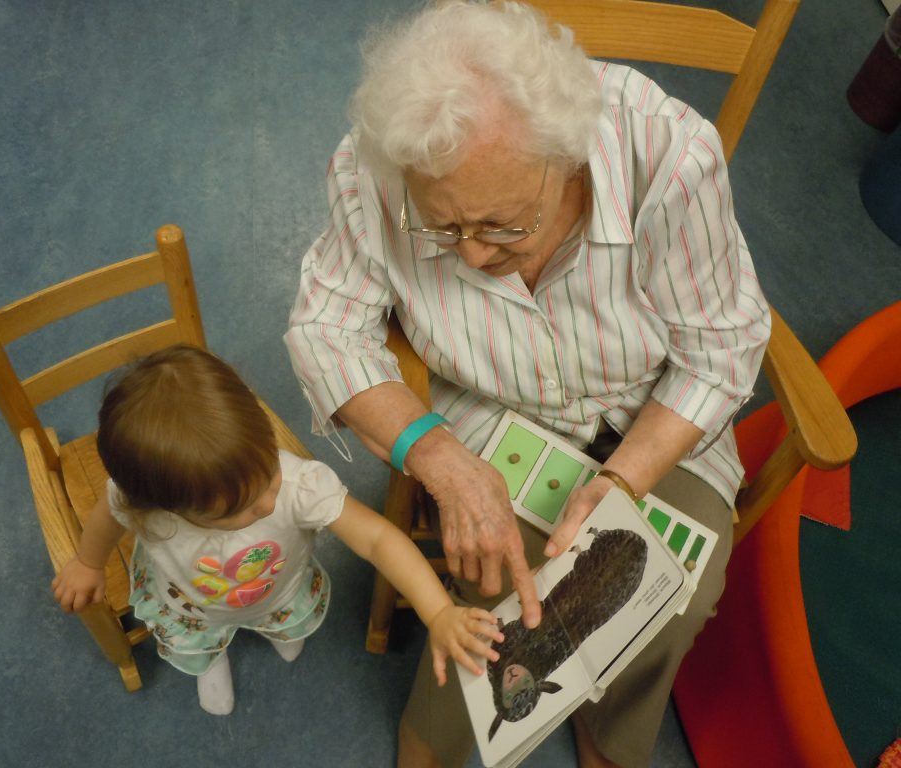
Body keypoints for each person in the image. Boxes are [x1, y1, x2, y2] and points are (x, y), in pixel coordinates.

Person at [283, 2, 771, 766]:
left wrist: (628, 477)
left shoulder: (671, 154)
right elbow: (324, 330)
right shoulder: (375, 167)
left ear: (569, 160)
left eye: (502, 226)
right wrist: (436, 456)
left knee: (683, 593)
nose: (470, 259)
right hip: (487, 403)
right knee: (497, 582)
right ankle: (436, 736)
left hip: (655, 404)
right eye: (443, 231)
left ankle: (612, 731)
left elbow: (721, 349)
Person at [51, 344, 503, 715]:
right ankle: (213, 658)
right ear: (165, 505)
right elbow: (110, 514)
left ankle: (273, 629)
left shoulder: (298, 485)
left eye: (268, 473)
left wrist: (439, 611)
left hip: (279, 591)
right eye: (242, 509)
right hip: (191, 607)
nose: (269, 502)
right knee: (203, 640)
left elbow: (379, 538)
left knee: (283, 624)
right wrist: (88, 562)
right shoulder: (145, 503)